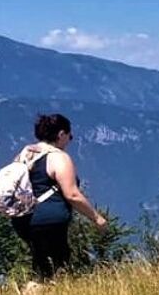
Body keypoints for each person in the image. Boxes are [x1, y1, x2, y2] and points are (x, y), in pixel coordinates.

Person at [10, 114, 108, 285]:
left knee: (41, 266)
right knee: (60, 267)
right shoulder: (58, 158)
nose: (70, 140)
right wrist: (96, 218)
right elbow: (72, 194)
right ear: (61, 134)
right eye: (70, 136)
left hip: (23, 220)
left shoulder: (26, 153)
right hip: (50, 220)